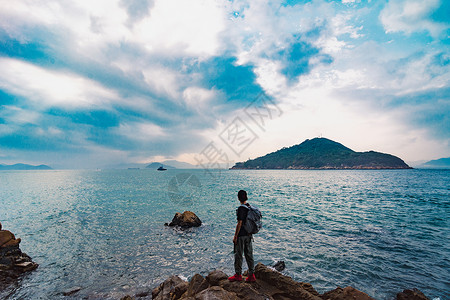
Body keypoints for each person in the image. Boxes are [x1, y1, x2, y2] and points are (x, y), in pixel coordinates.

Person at [228, 190, 256, 282]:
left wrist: (235, 236)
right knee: (249, 255)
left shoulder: (241, 208)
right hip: (249, 234)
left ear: (238, 197)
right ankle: (251, 275)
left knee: (238, 255)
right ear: (246, 197)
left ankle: (238, 275)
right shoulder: (249, 207)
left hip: (241, 235)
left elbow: (239, 223)